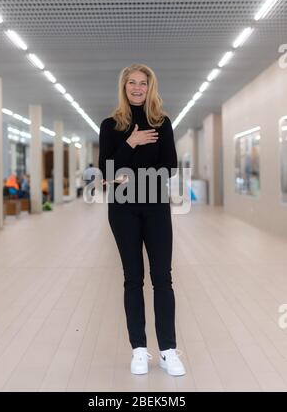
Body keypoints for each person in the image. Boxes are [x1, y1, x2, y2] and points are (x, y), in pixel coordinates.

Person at [98, 63, 186, 376]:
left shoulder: (162, 123)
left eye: (143, 83)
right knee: (132, 278)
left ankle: (168, 351)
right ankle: (138, 350)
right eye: (131, 83)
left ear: (151, 87)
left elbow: (170, 166)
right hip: (122, 210)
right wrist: (131, 143)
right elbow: (106, 171)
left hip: (156, 208)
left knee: (162, 277)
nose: (137, 88)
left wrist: (125, 171)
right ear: (124, 87)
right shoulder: (111, 126)